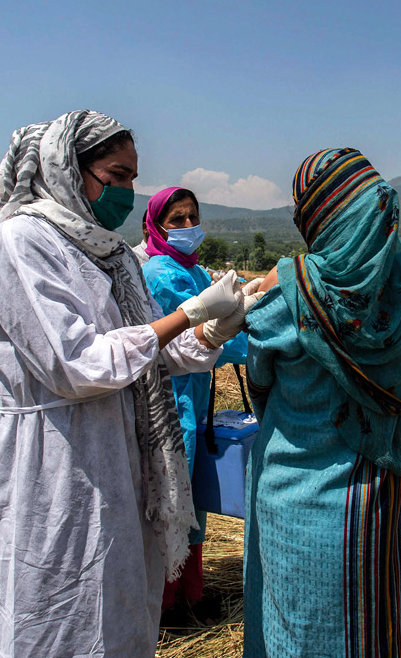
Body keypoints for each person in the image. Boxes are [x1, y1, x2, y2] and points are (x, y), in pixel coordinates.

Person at [0, 110, 250, 658]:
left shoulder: (108, 254)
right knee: (52, 604)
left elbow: (150, 354)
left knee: (115, 600)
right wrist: (187, 313)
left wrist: (211, 329)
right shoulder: (20, 242)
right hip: (54, 459)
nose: (127, 191)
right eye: (116, 175)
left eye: (133, 177)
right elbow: (74, 365)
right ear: (65, 168)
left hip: (117, 453)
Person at [243, 148, 401, 657]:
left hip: (296, 492)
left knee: (297, 626)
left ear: (317, 215)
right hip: (377, 488)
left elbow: (259, 381)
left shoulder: (290, 290)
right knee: (369, 619)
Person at [140, 186, 255, 624]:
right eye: (177, 220)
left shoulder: (191, 270)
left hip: (194, 399)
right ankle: (167, 603)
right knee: (172, 497)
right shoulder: (162, 274)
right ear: (156, 224)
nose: (189, 227)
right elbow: (196, 341)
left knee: (191, 499)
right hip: (170, 401)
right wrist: (244, 332)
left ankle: (192, 591)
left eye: (193, 217)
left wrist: (247, 301)